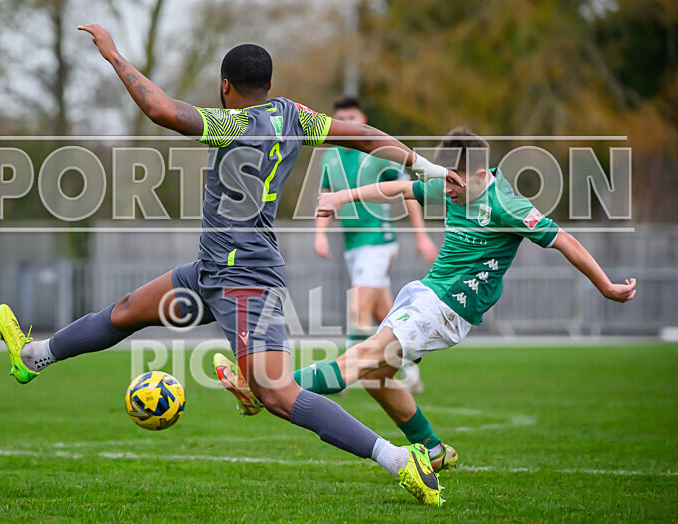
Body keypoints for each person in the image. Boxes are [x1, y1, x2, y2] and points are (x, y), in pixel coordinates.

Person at [0, 24, 463, 505]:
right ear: (269, 84)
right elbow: (363, 135)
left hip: (246, 280)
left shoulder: (233, 125)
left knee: (278, 395)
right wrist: (424, 165)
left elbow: (160, 110)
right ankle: (34, 356)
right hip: (212, 269)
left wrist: (114, 55)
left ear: (225, 86)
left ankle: (401, 460)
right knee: (128, 310)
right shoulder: (293, 116)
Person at [218, 127, 637, 474]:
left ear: (480, 176)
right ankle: (432, 450)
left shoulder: (506, 205)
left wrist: (605, 286)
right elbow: (400, 187)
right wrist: (341, 197)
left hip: (447, 310)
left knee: (359, 357)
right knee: (375, 375)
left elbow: (564, 240)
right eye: (445, 178)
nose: (446, 188)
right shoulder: (453, 184)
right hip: (423, 295)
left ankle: (264, 390)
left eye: (455, 181)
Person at [315, 96, 436, 393]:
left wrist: (421, 235)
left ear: (363, 120)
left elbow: (410, 191)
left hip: (378, 241)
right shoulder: (329, 158)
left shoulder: (378, 154)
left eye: (353, 118)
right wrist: (319, 233)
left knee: (358, 309)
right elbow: (325, 197)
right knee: (386, 316)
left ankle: (339, 377)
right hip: (353, 245)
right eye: (343, 119)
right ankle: (408, 369)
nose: (349, 123)